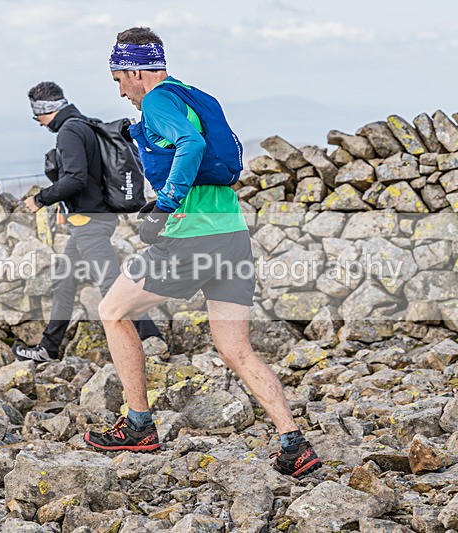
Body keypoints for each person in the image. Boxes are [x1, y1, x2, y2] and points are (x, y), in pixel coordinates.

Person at [83, 27, 322, 478]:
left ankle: (138, 425)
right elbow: (209, 157)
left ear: (136, 70)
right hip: (232, 233)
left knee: (112, 310)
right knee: (235, 348)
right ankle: (294, 442)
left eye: (118, 79)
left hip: (191, 237)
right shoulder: (196, 95)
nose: (120, 91)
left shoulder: (156, 100)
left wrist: (166, 206)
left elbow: (190, 146)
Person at [16, 82, 163, 363]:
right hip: (93, 217)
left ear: (47, 109)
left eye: (37, 117)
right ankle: (49, 347)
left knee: (110, 283)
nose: (39, 123)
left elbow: (76, 178)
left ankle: (151, 340)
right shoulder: (84, 126)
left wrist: (41, 198)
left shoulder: (70, 131)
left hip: (89, 221)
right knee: (64, 280)